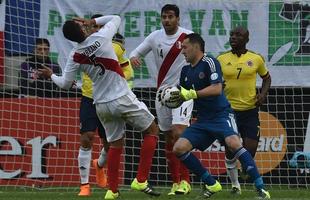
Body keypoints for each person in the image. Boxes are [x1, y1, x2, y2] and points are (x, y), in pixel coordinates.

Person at [38, 15, 160, 200]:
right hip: (121, 97)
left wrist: (50, 75)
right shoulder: (102, 37)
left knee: (115, 144)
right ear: (83, 29)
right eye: (81, 25)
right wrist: (93, 21)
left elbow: (64, 84)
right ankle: (141, 179)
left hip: (101, 104)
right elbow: (116, 18)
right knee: (152, 129)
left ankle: (112, 191)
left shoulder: (74, 55)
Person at [169, 33, 271, 199]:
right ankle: (211, 183)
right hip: (203, 120)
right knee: (178, 148)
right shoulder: (186, 70)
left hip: (221, 115)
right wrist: (171, 97)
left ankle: (261, 188)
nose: (182, 52)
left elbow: (217, 89)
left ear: (196, 47)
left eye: (185, 47)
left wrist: (192, 93)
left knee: (233, 143)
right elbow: (182, 94)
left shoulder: (210, 62)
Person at [129, 4, 192, 195]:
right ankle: (175, 182)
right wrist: (133, 58)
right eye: (164, 17)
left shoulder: (188, 36)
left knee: (180, 133)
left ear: (178, 19)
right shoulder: (155, 37)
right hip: (162, 93)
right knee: (169, 138)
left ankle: (186, 181)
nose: (167, 20)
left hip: (183, 92)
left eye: (170, 16)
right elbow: (134, 53)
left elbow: (200, 58)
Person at [77, 14, 134, 197]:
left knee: (110, 143)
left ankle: (99, 165)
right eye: (92, 27)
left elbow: (128, 69)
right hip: (88, 98)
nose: (95, 30)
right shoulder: (80, 49)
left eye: (98, 27)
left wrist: (121, 84)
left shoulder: (114, 47)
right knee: (87, 137)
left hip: (109, 99)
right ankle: (84, 185)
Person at [217, 26, 272, 195]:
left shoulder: (256, 59)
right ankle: (235, 186)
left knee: (250, 149)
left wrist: (262, 94)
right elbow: (215, 82)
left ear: (246, 39)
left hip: (249, 110)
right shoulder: (221, 59)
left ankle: (245, 169)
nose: (233, 37)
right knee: (230, 149)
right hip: (228, 111)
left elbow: (267, 78)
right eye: (232, 35)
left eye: (238, 35)